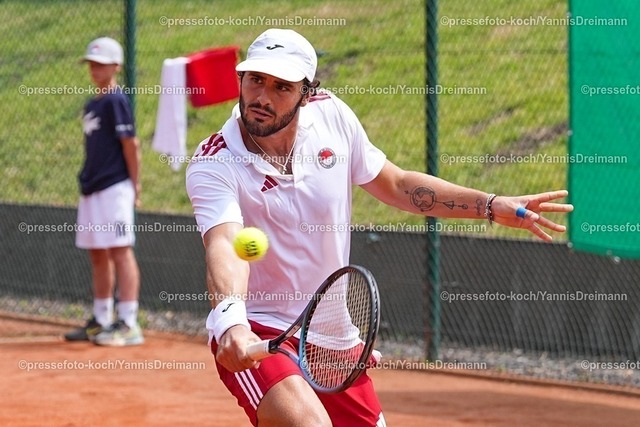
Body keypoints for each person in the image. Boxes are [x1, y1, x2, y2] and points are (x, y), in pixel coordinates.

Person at [186, 28, 573, 426]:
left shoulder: (333, 117)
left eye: (281, 87)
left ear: (306, 94)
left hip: (332, 337)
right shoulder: (215, 162)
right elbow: (225, 242)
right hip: (260, 330)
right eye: (256, 80)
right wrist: (231, 320)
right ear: (240, 79)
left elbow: (398, 185)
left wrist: (489, 206)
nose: (263, 98)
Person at [64, 37, 143, 347]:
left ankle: (129, 322)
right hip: (92, 187)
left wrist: (135, 184)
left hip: (115, 187)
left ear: (116, 67)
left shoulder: (116, 101)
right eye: (91, 64)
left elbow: (131, 145)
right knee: (97, 252)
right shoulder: (92, 103)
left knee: (120, 250)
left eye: (101, 64)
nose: (95, 69)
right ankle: (101, 319)